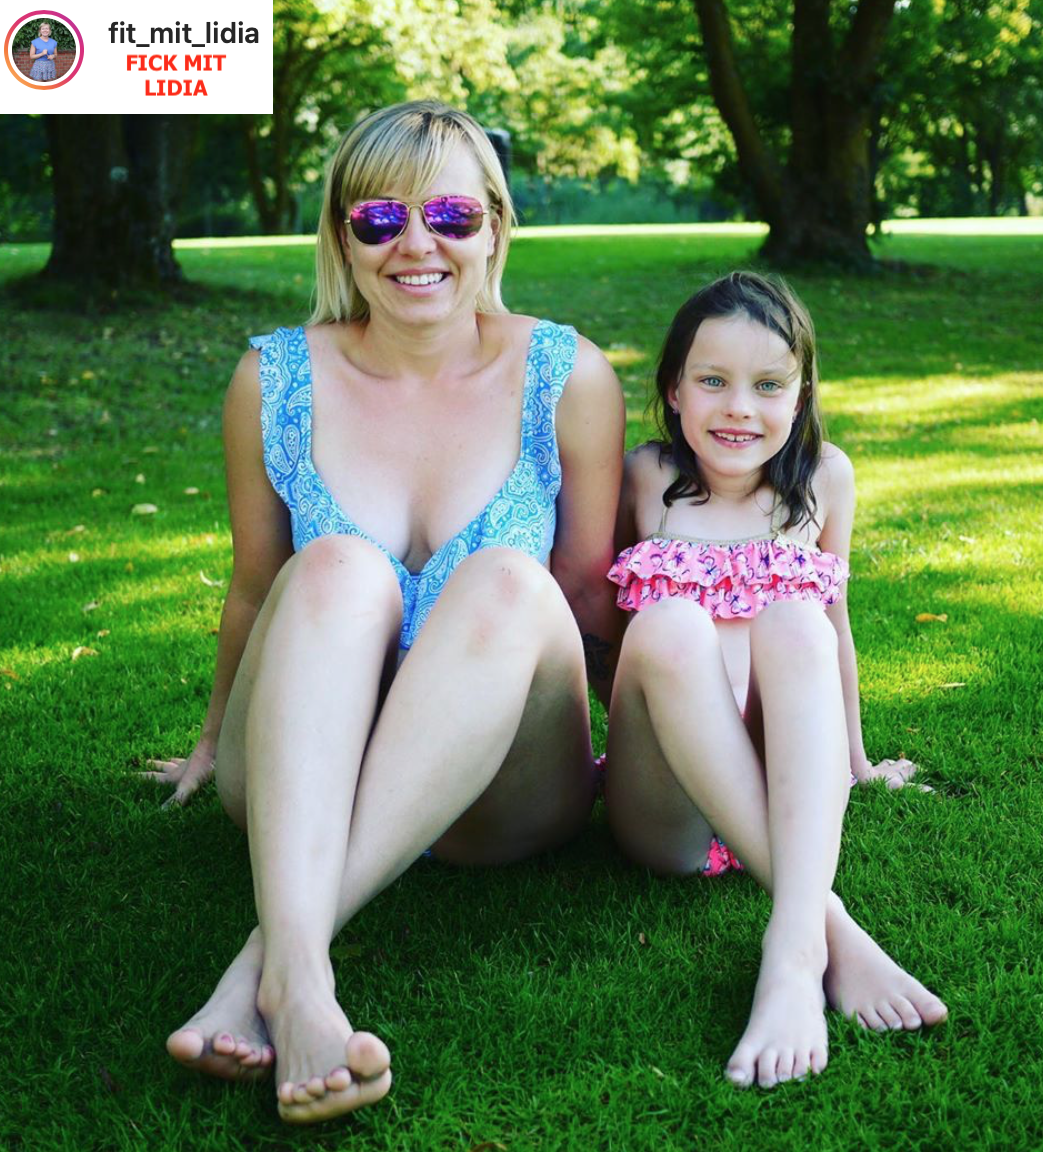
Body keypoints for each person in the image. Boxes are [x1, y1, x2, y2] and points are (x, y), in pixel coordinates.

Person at [142, 101, 625, 1124]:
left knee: (507, 578)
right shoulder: (274, 378)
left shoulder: (566, 375)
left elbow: (587, 595)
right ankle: (302, 983)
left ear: (495, 226)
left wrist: (658, 754)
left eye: (450, 215)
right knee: (334, 566)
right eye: (378, 219)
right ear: (341, 235)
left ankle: (271, 965)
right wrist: (210, 743)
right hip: (301, 775)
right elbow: (255, 588)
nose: (416, 245)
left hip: (498, 790)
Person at [603, 272, 947, 1090]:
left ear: (801, 395)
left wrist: (857, 763)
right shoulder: (645, 476)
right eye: (712, 381)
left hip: (786, 787)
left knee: (797, 615)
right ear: (673, 389)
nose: (738, 409)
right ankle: (828, 929)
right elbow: (615, 639)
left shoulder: (825, 478)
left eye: (767, 385)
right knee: (670, 623)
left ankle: (791, 956)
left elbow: (836, 631)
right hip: (668, 808)